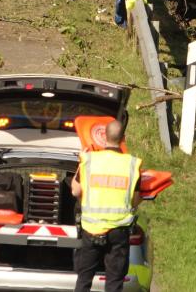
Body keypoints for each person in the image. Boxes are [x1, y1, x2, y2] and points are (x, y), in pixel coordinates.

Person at [70, 119, 142, 292]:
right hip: (119, 231)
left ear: (104, 137)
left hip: (91, 229)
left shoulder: (89, 161)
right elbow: (135, 199)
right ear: (123, 138)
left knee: (84, 280)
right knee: (114, 282)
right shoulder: (132, 164)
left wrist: (81, 163)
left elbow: (75, 191)